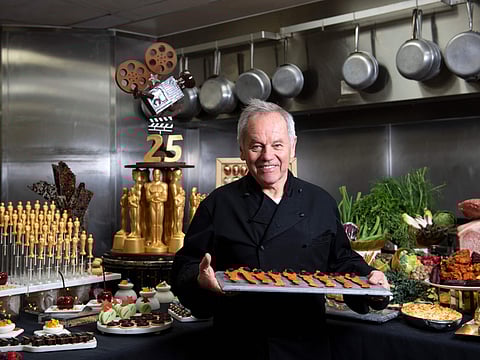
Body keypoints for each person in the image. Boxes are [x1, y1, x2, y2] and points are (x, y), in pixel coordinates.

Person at [171, 99, 389, 360]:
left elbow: (341, 260)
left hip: (306, 346)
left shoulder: (319, 202)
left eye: (277, 145)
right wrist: (199, 279)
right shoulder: (218, 204)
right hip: (239, 346)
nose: (267, 156)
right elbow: (184, 266)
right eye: (256, 146)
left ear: (292, 147)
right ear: (241, 150)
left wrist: (372, 286)